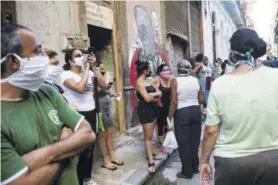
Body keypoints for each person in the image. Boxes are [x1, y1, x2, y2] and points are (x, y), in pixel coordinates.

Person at [1, 24, 96, 185]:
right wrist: (67, 147)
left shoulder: (46, 91)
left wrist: (42, 156)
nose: (44, 58)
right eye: (37, 51)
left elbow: (87, 134)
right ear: (13, 61)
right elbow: (23, 182)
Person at [200, 28, 278, 185]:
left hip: (231, 164)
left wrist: (204, 161)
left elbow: (211, 131)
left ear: (233, 54)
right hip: (272, 162)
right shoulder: (275, 76)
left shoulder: (219, 85)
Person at [60, 49, 108, 185]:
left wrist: (93, 68)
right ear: (70, 61)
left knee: (90, 147)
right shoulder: (65, 75)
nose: (82, 57)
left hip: (91, 112)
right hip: (77, 114)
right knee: (78, 149)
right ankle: (76, 180)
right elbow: (79, 88)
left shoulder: (90, 72)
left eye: (82, 54)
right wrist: (87, 70)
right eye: (78, 55)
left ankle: (86, 179)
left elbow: (104, 86)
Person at [168, 59, 205, 179]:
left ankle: (187, 172)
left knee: (184, 143)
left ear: (178, 69)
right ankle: (195, 168)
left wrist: (168, 118)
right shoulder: (195, 80)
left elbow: (174, 102)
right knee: (194, 141)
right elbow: (202, 99)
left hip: (182, 113)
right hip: (195, 111)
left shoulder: (175, 81)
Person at [135, 60, 162, 173]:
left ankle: (150, 153)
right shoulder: (139, 83)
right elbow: (146, 99)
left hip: (153, 109)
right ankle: (151, 161)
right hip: (145, 110)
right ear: (144, 70)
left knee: (151, 135)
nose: (151, 70)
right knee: (148, 137)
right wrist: (154, 96)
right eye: (149, 68)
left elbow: (159, 92)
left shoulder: (149, 81)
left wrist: (153, 95)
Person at [96, 62, 123, 171]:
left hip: (108, 110)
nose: (102, 66)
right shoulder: (94, 78)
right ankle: (105, 160)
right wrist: (104, 88)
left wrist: (112, 94)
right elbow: (94, 93)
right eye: (99, 65)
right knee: (102, 135)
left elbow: (105, 92)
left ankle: (112, 156)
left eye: (103, 65)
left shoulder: (103, 77)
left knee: (110, 133)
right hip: (100, 111)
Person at [154, 64, 172, 154]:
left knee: (167, 125)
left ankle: (163, 141)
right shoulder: (157, 79)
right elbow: (149, 89)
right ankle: (162, 145)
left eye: (168, 69)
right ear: (160, 72)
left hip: (170, 106)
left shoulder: (172, 78)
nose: (166, 72)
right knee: (161, 125)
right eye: (164, 70)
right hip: (160, 106)